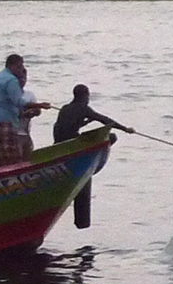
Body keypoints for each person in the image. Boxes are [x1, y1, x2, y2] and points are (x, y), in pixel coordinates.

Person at [54, 84, 133, 229]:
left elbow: (64, 126)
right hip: (72, 144)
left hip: (59, 143)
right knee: (112, 136)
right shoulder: (84, 108)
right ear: (85, 96)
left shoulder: (65, 108)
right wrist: (125, 129)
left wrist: (86, 122)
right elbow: (106, 120)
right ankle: (91, 161)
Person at [0, 53, 49, 169]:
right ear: (12, 66)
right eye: (19, 66)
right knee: (12, 161)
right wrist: (40, 105)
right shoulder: (11, 80)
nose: (22, 69)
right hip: (3, 122)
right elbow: (19, 102)